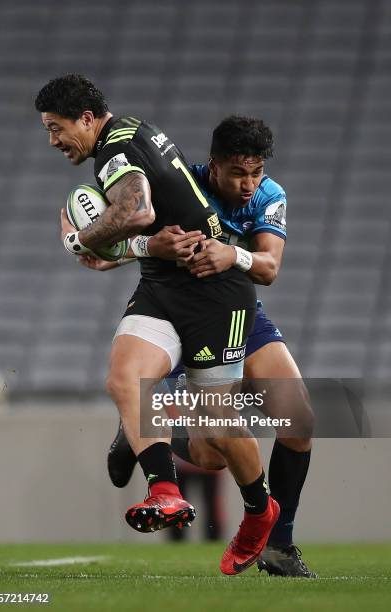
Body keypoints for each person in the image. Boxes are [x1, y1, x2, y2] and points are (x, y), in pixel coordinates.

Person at [35, 75, 279, 576]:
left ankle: (261, 511)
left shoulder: (116, 151)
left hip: (216, 293)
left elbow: (136, 209)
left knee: (215, 437)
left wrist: (80, 241)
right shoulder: (128, 135)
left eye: (56, 128)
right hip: (163, 286)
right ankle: (164, 490)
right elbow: (148, 231)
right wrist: (135, 248)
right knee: (125, 378)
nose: (53, 140)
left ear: (85, 119)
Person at [89, 116, 316, 578]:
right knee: (213, 451)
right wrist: (122, 247)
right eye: (238, 173)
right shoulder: (183, 185)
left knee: (300, 423)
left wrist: (233, 254)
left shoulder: (270, 195)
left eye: (256, 172)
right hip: (184, 315)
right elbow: (138, 236)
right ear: (213, 166)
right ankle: (144, 428)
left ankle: (280, 547)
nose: (249, 183)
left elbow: (268, 266)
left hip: (240, 314)